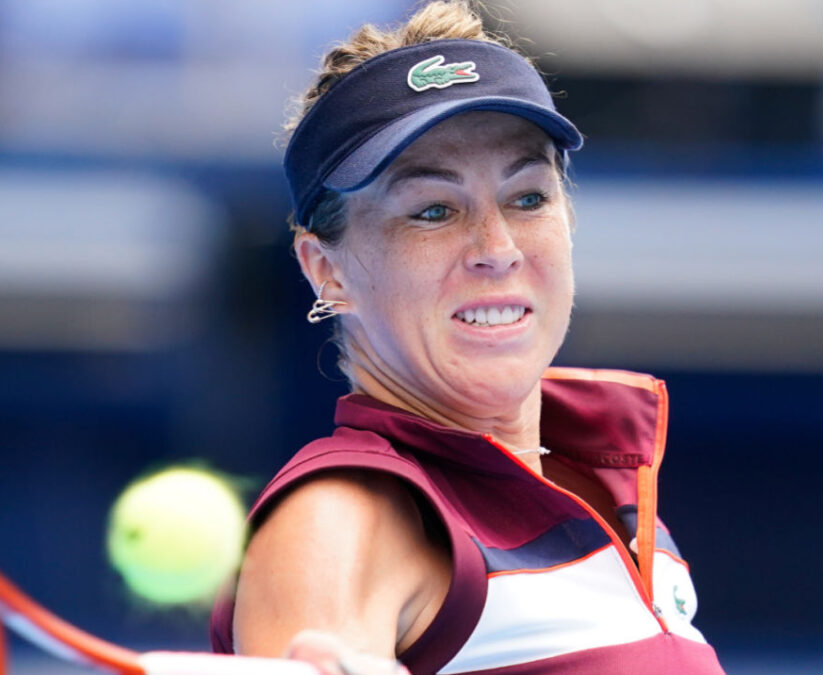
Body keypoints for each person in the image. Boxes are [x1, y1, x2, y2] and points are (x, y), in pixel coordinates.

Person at [209, 2, 725, 674]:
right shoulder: (339, 516)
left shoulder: (620, 498)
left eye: (528, 196)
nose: (496, 247)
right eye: (432, 210)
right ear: (326, 269)